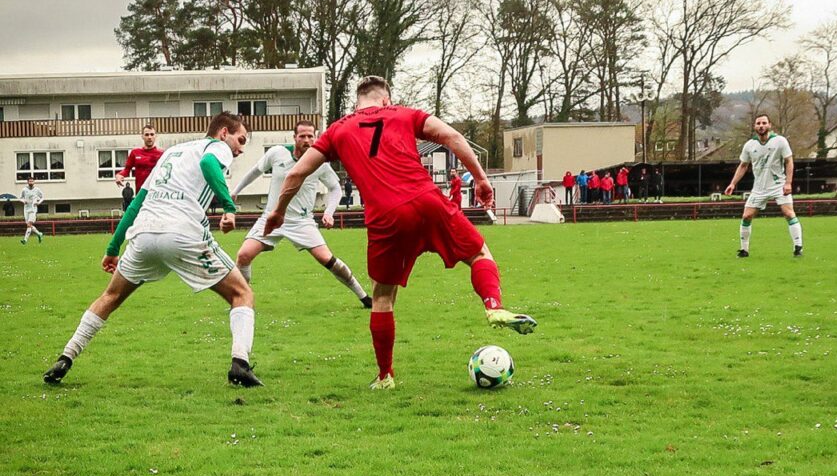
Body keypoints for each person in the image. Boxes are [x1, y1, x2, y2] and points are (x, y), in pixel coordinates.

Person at [263, 76, 537, 390]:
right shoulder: (405, 115)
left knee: (382, 297)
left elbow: (296, 173)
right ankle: (493, 306)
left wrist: (278, 212)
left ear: (357, 103)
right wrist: (481, 178)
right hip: (427, 201)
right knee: (478, 253)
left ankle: (385, 376)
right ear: (386, 100)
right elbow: (451, 136)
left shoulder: (338, 130)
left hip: (385, 218)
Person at [42, 112, 262, 388]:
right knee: (242, 294)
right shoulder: (216, 147)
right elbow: (208, 163)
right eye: (241, 140)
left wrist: (113, 247)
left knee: (110, 296)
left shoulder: (171, 153)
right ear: (224, 133)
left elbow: (137, 203)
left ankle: (66, 357)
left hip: (144, 234)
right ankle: (240, 364)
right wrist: (229, 207)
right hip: (182, 233)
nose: (241, 149)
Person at [231, 121, 371, 307]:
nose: (306, 140)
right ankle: (241, 302)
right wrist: (236, 191)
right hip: (271, 218)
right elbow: (255, 171)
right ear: (294, 137)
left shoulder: (320, 162)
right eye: (302, 136)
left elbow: (335, 188)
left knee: (326, 258)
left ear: (316, 137)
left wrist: (329, 212)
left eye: (310, 136)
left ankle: (364, 297)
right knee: (243, 255)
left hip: (302, 222)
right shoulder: (277, 153)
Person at [724, 113, 804, 258]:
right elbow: (743, 165)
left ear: (769, 125)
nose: (761, 126)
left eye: (764, 123)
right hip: (759, 188)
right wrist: (733, 183)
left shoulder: (780, 141)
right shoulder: (749, 145)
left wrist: (788, 183)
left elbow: (789, 161)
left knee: (788, 213)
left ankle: (798, 247)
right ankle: (744, 250)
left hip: (778, 185)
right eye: (758, 123)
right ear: (754, 126)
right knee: (746, 216)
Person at [116, 125, 164, 194]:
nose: (149, 137)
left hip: (156, 193)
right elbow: (127, 170)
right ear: (142, 136)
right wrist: (119, 175)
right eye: (146, 135)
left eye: (152, 134)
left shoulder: (162, 154)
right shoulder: (135, 153)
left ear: (155, 136)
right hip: (140, 192)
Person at [19, 175, 44, 244]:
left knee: (29, 224)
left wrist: (38, 202)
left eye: (32, 181)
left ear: (34, 182)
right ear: (27, 182)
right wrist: (23, 201)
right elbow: (20, 198)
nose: (31, 182)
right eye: (30, 181)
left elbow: (42, 197)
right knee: (29, 225)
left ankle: (25, 240)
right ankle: (39, 234)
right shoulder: (24, 190)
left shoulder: (37, 190)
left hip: (33, 209)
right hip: (26, 209)